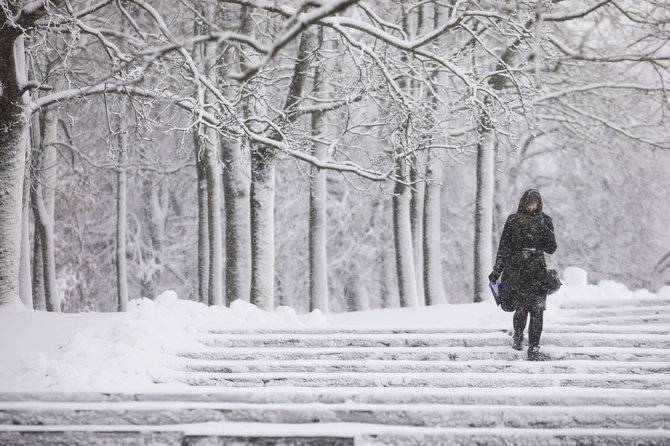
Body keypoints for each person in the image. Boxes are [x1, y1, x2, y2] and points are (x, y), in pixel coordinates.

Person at [488, 189, 557, 361]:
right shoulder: (513, 221)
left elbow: (551, 248)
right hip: (517, 271)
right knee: (521, 309)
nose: (532, 206)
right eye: (529, 202)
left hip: (537, 272)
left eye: (535, 202)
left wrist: (543, 229)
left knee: (538, 311)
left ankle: (534, 347)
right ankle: (518, 337)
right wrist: (496, 271)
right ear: (523, 202)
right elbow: (504, 248)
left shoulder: (545, 220)